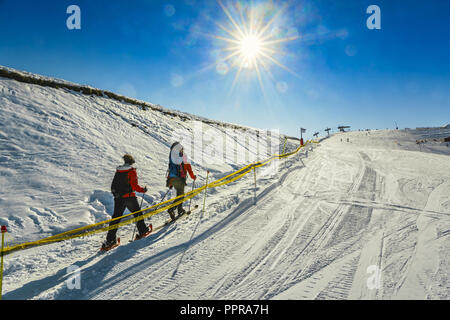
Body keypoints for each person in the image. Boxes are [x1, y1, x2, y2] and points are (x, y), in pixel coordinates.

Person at [102, 154, 151, 249]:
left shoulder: (119, 171)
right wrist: (143, 190)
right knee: (137, 214)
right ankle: (143, 231)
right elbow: (134, 186)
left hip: (119, 198)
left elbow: (113, 185)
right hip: (129, 197)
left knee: (116, 218)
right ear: (132, 162)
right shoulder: (131, 171)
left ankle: (110, 240)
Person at [166, 142, 196, 220]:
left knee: (179, 194)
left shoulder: (172, 156)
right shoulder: (183, 156)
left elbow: (170, 168)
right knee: (181, 195)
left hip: (173, 178)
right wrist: (192, 176)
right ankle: (172, 209)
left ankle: (179, 209)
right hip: (180, 179)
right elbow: (188, 167)